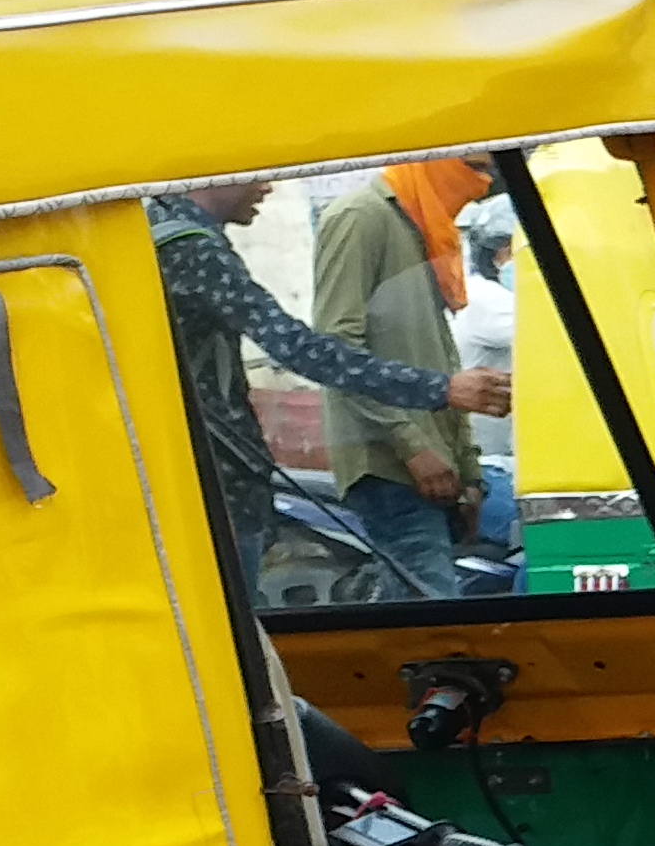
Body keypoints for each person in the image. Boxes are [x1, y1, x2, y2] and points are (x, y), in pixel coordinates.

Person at [144, 179, 506, 588]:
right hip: (216, 487)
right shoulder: (190, 249)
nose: (269, 188)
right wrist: (440, 390)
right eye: (258, 173)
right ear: (216, 174)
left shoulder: (153, 231)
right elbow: (302, 348)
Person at [311, 155, 495, 585]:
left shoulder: (425, 226)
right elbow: (337, 349)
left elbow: (441, 360)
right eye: (470, 165)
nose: (482, 183)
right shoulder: (361, 218)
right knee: (433, 618)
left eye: (489, 171)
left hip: (436, 461)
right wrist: (412, 447)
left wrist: (469, 470)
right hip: (388, 463)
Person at [454, 206, 523, 554]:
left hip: (499, 459)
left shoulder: (487, 295)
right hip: (491, 467)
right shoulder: (487, 300)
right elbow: (562, 332)